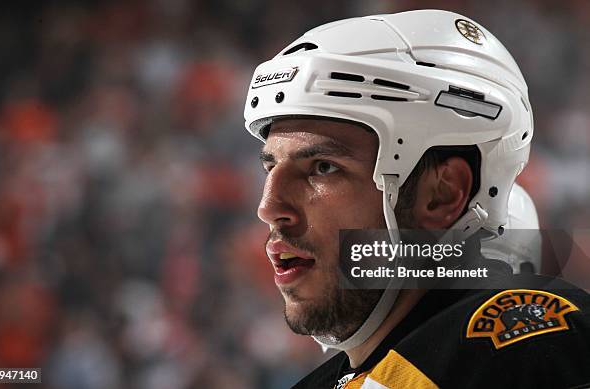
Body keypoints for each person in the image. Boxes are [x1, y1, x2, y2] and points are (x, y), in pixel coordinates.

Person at [243, 10, 590, 388]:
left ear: (441, 195)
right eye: (270, 168)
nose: (269, 208)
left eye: (323, 167)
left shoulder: (527, 333)